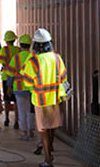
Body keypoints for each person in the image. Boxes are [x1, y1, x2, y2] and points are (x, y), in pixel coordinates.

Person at [22, 28, 68, 167]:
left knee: (43, 130)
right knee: (52, 127)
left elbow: (27, 82)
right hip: (55, 98)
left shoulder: (33, 61)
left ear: (35, 44)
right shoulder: (57, 57)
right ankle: (50, 151)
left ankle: (48, 160)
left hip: (40, 100)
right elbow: (63, 77)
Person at [5, 34, 35, 140]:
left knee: (22, 111)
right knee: (31, 111)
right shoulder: (33, 57)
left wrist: (9, 87)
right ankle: (31, 130)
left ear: (20, 45)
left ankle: (24, 133)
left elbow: (10, 74)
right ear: (30, 45)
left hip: (19, 89)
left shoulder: (16, 58)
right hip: (32, 89)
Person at [0, 30, 20, 128]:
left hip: (6, 76)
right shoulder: (19, 50)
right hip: (17, 77)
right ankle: (16, 121)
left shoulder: (4, 50)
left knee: (7, 99)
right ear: (14, 40)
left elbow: (1, 62)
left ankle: (7, 119)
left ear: (6, 41)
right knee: (16, 100)